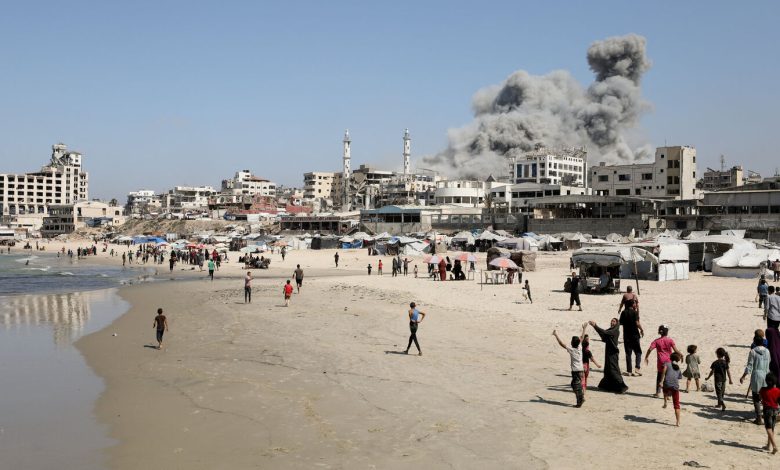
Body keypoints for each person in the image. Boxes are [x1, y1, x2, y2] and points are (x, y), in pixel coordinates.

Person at [588, 318, 628, 394]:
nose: (612, 323)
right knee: (608, 369)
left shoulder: (615, 331)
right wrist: (595, 327)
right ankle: (607, 386)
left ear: (617, 323)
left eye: (614, 321)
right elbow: (603, 334)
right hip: (608, 352)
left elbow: (604, 332)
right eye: (611, 321)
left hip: (613, 353)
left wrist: (595, 326)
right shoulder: (610, 330)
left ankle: (621, 386)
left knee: (614, 369)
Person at [742, 330, 772, 424]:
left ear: (754, 342)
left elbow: (749, 366)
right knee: (765, 397)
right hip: (766, 375)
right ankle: (767, 416)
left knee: (756, 398)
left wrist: (743, 376)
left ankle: (759, 418)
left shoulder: (753, 351)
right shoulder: (767, 351)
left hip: (756, 376)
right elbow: (769, 364)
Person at [645, 325, 683, 397]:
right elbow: (676, 350)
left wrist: (646, 357)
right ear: (667, 332)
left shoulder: (656, 341)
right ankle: (668, 394)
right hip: (669, 361)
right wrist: (681, 355)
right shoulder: (670, 340)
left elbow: (650, 349)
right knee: (667, 376)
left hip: (660, 361)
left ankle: (657, 393)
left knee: (659, 376)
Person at [552, 329, 585, 407]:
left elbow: (561, 344)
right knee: (575, 385)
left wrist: (556, 335)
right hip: (581, 370)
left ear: (572, 343)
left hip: (576, 371)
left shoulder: (572, 350)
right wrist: (584, 329)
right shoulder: (580, 348)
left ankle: (580, 401)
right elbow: (582, 338)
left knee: (576, 386)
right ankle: (581, 398)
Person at [618, 285, 644, 376]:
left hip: (626, 335)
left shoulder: (623, 313)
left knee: (628, 353)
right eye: (634, 304)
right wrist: (642, 330)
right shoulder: (635, 311)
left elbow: (620, 323)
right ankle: (637, 368)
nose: (635, 304)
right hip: (635, 335)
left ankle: (629, 370)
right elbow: (637, 323)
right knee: (638, 352)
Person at [659, 352, 683, 427]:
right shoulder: (678, 367)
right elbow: (679, 377)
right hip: (675, 386)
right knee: (676, 405)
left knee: (664, 389)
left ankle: (665, 401)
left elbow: (663, 371)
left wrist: (661, 381)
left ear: (670, 358)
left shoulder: (666, 364)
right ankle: (678, 421)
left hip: (667, 384)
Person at [760, 372, 780, 454]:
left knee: (768, 428)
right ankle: (768, 445)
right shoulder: (778, 390)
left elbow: (760, 398)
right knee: (772, 428)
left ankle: (774, 446)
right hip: (775, 410)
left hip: (767, 410)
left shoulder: (763, 390)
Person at [580, 322, 602, 396]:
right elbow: (592, 359)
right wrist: (598, 365)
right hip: (586, 365)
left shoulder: (580, 350)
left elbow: (581, 339)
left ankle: (582, 388)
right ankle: (584, 389)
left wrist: (584, 329)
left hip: (580, 365)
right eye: (587, 339)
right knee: (585, 378)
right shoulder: (588, 351)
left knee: (582, 378)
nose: (588, 340)